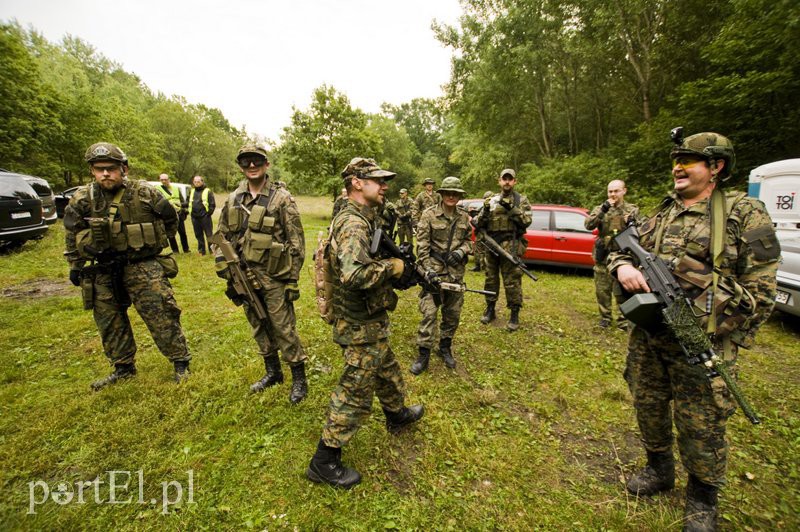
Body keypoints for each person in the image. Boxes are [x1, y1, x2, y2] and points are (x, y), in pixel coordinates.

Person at [609, 130, 779, 531]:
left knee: (701, 423)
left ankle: (702, 497)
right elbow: (621, 247)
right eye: (676, 160)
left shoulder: (744, 213)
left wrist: (694, 281)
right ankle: (659, 469)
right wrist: (623, 266)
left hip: (702, 341)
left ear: (716, 167)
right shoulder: (663, 211)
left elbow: (762, 295)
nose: (678, 167)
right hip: (651, 337)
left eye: (689, 161)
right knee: (647, 404)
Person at [306, 157, 423, 489]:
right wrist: (393, 268)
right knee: (355, 390)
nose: (384, 185)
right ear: (356, 182)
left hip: (369, 319)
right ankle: (324, 461)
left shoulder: (364, 217)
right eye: (377, 180)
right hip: (358, 323)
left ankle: (396, 414)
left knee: (386, 368)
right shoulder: (354, 224)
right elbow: (353, 274)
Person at [64, 142, 192, 389]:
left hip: (142, 265)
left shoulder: (145, 193)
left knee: (161, 313)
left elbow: (170, 219)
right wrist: (75, 264)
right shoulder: (82, 198)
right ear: (92, 170)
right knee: (109, 320)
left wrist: (152, 244)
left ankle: (180, 361)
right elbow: (72, 231)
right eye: (99, 169)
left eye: (110, 168)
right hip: (102, 269)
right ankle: (123, 367)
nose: (105, 174)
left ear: (123, 168)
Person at [214, 145, 309, 404]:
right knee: (258, 323)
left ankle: (298, 377)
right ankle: (273, 372)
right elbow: (221, 236)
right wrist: (225, 267)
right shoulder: (233, 199)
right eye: (246, 163)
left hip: (275, 276)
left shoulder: (281, 198)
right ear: (242, 167)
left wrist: (292, 278)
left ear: (266, 164)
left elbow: (296, 242)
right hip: (243, 275)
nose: (251, 166)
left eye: (256, 161)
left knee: (283, 327)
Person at [410, 176, 472, 374]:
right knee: (429, 313)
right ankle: (423, 353)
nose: (451, 196)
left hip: (455, 275)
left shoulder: (463, 217)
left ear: (459, 196)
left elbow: (470, 242)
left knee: (452, 314)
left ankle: (445, 347)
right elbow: (422, 248)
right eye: (448, 193)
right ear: (442, 194)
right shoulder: (428, 215)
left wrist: (461, 252)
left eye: (455, 194)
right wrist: (428, 271)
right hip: (434, 273)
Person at [472, 169, 532, 331]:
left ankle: (514, 314)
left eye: (510, 179)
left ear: (514, 181)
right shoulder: (491, 200)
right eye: (504, 179)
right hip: (491, 246)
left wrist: (512, 209)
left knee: (512, 281)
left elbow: (526, 221)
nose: (507, 182)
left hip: (510, 246)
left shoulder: (521, 200)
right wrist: (484, 210)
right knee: (490, 279)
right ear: (499, 181)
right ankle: (490, 309)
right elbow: (477, 223)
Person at [585, 180, 638, 329]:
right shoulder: (601, 208)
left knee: (623, 289)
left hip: (623, 256)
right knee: (602, 289)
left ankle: (623, 319)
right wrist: (603, 210)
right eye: (610, 191)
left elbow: (641, 230)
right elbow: (589, 225)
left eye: (616, 191)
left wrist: (632, 222)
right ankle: (605, 317)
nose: (613, 194)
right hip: (603, 256)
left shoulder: (632, 210)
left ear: (624, 191)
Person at [158, 173, 190, 253]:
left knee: (182, 232)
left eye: (165, 179)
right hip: (168, 215)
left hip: (179, 213)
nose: (164, 181)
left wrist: (182, 207)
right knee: (171, 234)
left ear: (169, 180)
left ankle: (186, 249)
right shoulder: (158, 189)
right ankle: (175, 250)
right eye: (162, 180)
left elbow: (183, 201)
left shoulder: (176, 188)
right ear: (159, 180)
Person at [189, 175, 215, 255]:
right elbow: (189, 202)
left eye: (198, 182)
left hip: (205, 217)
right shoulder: (192, 191)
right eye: (195, 182)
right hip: (194, 217)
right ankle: (201, 251)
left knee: (209, 234)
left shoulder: (208, 191)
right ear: (193, 182)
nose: (196, 183)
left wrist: (208, 214)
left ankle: (212, 251)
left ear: (202, 182)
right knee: (198, 234)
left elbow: (212, 204)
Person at [470, 190, 493, 272]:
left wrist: (473, 219)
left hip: (483, 231)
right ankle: (481, 266)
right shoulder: (488, 208)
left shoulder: (489, 208)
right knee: (482, 249)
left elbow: (479, 221)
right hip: (485, 232)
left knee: (480, 249)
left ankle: (480, 266)